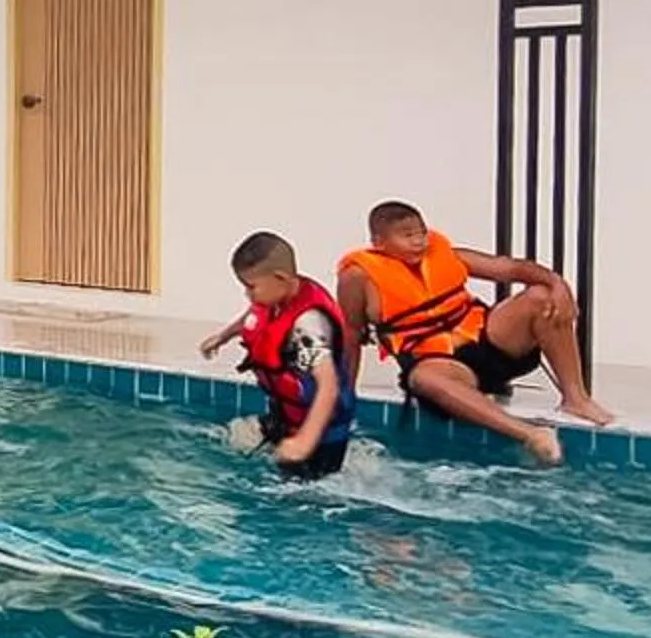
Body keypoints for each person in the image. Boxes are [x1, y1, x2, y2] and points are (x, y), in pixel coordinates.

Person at [338, 201, 609, 464]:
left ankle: (576, 398)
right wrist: (345, 393)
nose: (419, 241)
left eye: (421, 232)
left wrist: (557, 284)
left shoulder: (445, 253)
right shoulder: (357, 277)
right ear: (379, 242)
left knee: (541, 297)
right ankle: (530, 435)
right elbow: (351, 335)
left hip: (490, 342)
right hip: (440, 361)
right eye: (407, 235)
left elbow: (508, 267)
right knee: (423, 379)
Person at [199, 231, 355, 480]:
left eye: (251, 286)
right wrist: (223, 336)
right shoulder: (278, 297)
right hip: (286, 418)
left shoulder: (307, 326)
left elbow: (329, 386)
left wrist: (304, 442)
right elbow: (255, 318)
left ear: (280, 278)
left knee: (301, 498)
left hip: (320, 435)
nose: (248, 294)